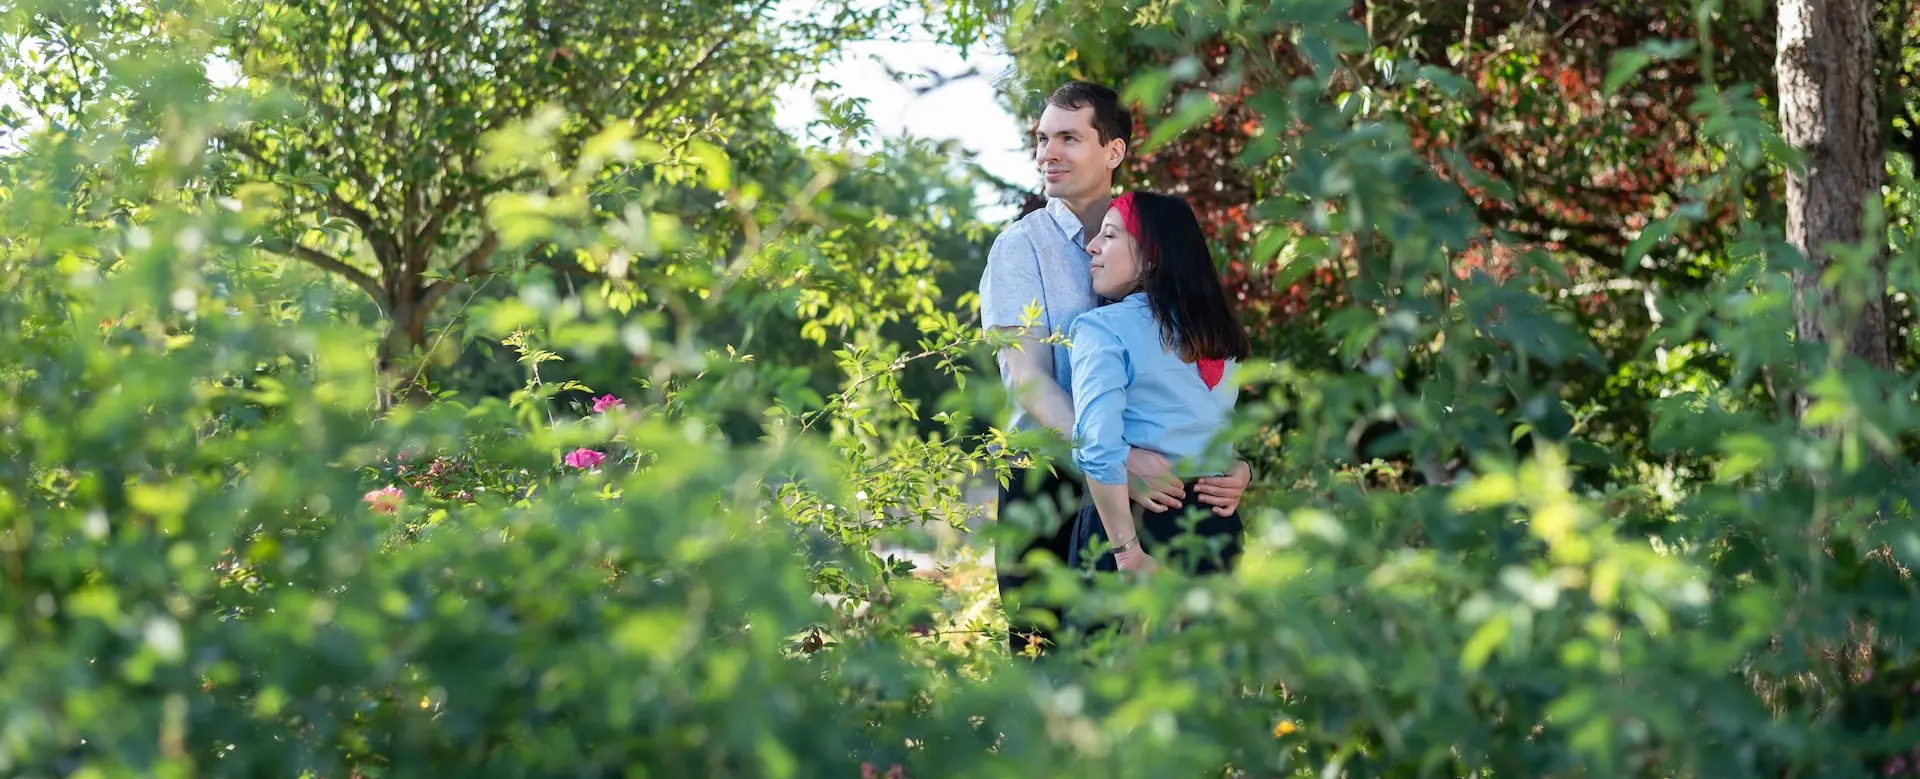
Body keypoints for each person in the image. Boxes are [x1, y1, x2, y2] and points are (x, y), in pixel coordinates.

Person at [979, 81, 1251, 655]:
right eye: (1043, 139)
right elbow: (1029, 383)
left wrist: (1229, 463)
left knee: (1160, 671)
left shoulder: (1154, 235)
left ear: (1114, 152)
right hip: (1047, 477)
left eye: (1069, 138)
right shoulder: (1020, 249)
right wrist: (1120, 457)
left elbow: (1193, 371)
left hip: (1159, 488)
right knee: (1048, 656)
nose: (1048, 153)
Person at [1068, 190, 1252, 577]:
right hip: (1216, 531)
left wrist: (1126, 553)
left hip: (1134, 525)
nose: (1092, 246)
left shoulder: (1101, 329)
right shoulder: (1219, 336)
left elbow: (1097, 447)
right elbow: (1215, 435)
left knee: (1109, 639)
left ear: (1152, 257)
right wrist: (1240, 469)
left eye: (1111, 235)